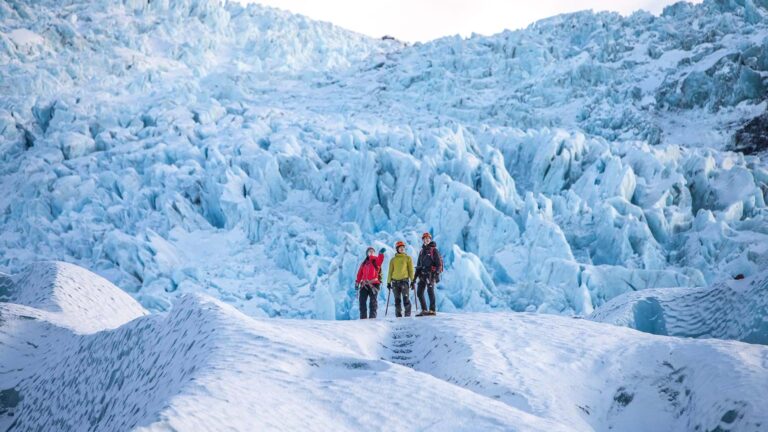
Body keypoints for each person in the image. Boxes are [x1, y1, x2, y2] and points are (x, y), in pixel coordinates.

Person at [414, 232, 442, 316]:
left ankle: (432, 310)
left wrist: (436, 273)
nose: (426, 240)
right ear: (423, 240)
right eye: (424, 238)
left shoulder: (434, 250)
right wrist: (414, 278)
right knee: (419, 293)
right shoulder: (421, 251)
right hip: (422, 275)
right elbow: (418, 265)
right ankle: (424, 310)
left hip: (430, 274)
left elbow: (439, 264)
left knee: (430, 291)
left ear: (430, 239)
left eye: (428, 238)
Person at [355, 246, 385, 319]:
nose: (371, 252)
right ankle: (363, 318)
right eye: (369, 251)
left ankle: (372, 318)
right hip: (364, 285)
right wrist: (357, 282)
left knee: (373, 302)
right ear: (367, 253)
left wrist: (381, 254)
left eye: (372, 251)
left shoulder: (376, 261)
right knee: (362, 301)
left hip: (374, 284)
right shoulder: (364, 263)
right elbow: (359, 274)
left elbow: (380, 261)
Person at [387, 241, 414, 318]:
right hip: (394, 282)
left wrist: (413, 281)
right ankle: (398, 316)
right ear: (397, 249)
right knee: (397, 300)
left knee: (406, 299)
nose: (402, 249)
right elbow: (390, 272)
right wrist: (388, 282)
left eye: (403, 247)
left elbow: (411, 270)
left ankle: (407, 315)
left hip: (404, 281)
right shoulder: (393, 260)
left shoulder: (408, 258)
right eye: (400, 247)